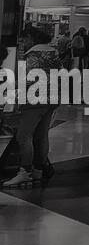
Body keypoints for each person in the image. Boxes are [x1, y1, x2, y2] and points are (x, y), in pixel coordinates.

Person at [1, 26, 64, 189]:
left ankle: (24, 172)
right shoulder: (53, 52)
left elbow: (27, 79)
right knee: (41, 136)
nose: (22, 42)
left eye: (23, 39)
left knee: (24, 136)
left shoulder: (32, 55)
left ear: (31, 37)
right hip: (51, 97)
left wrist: (13, 95)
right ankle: (38, 170)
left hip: (34, 99)